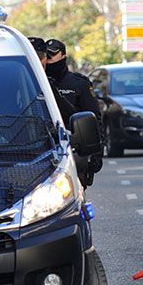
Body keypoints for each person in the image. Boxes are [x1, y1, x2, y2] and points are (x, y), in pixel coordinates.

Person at [44, 38, 102, 186]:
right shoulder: (35, 82)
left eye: (53, 54)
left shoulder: (79, 83)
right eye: (46, 55)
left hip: (73, 147)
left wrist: (96, 153)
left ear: (63, 56)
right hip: (43, 148)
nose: (49, 59)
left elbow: (93, 118)